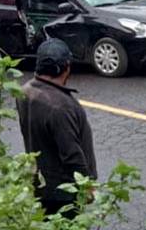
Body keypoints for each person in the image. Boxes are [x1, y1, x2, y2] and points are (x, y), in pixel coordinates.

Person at [16, 38, 98, 218]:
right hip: (63, 191)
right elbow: (71, 154)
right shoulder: (61, 107)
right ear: (66, 67)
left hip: (40, 180)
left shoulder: (25, 91)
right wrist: (86, 185)